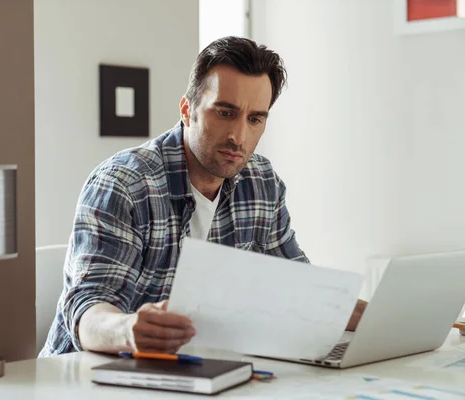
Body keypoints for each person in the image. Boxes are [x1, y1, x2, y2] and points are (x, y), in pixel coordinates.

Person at [39, 36, 366, 357]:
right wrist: (127, 330)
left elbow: (299, 285)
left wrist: (362, 314)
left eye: (254, 119)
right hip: (89, 377)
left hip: (199, 369)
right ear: (187, 110)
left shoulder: (262, 182)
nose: (238, 136)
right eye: (224, 113)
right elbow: (87, 309)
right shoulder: (124, 184)